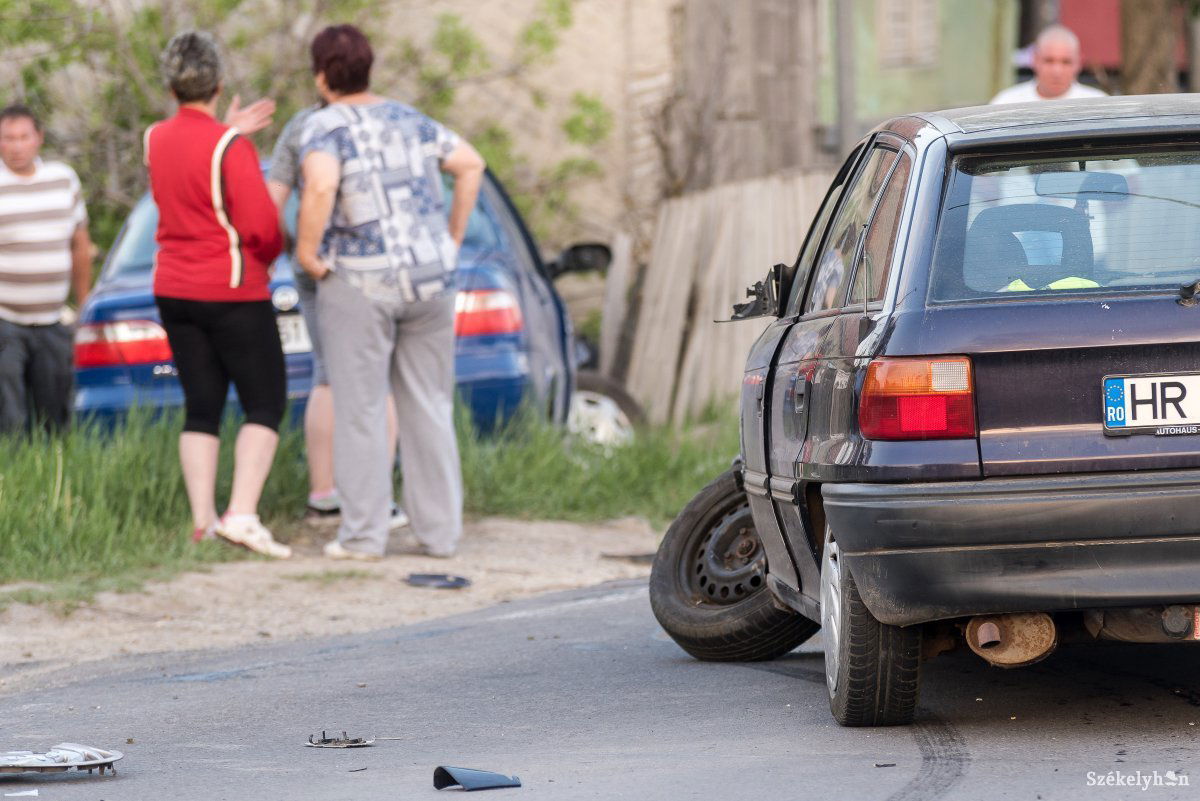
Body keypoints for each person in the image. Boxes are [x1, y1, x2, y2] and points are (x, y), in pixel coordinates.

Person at [295, 24, 485, 561]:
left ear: (321, 74)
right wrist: (450, 237)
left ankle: (363, 536)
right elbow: (470, 164)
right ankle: (440, 533)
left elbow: (322, 186)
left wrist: (309, 254)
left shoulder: (324, 127)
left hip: (360, 280)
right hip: (430, 280)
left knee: (360, 408)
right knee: (428, 402)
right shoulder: (410, 118)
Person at [145, 30, 291, 557]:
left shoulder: (153, 137)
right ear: (219, 83)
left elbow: (187, 169)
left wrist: (224, 133)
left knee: (201, 406)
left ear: (171, 86)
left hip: (173, 289)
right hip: (231, 288)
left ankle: (203, 523)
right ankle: (243, 515)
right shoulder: (231, 146)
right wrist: (270, 258)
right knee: (266, 401)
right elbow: (260, 226)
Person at [266, 104, 408, 529]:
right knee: (379, 377)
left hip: (315, 262)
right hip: (372, 266)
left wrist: (290, 249)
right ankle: (377, 497)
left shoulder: (301, 124)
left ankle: (324, 495)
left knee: (325, 374)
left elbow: (271, 199)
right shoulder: (388, 121)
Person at [0, 105, 93, 434]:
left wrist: (83, 302)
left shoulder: (62, 179)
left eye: (24, 137)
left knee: (55, 414)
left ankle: (56, 477)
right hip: (5, 319)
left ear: (38, 138)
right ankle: (13, 479)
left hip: (54, 319)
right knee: (10, 417)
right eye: (8, 138)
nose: (16, 145)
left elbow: (80, 244)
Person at [990, 25, 1107, 104]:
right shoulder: (1007, 103)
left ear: (1078, 63)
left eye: (1066, 62)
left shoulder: (1097, 104)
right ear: (1035, 60)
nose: (1057, 71)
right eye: (1049, 61)